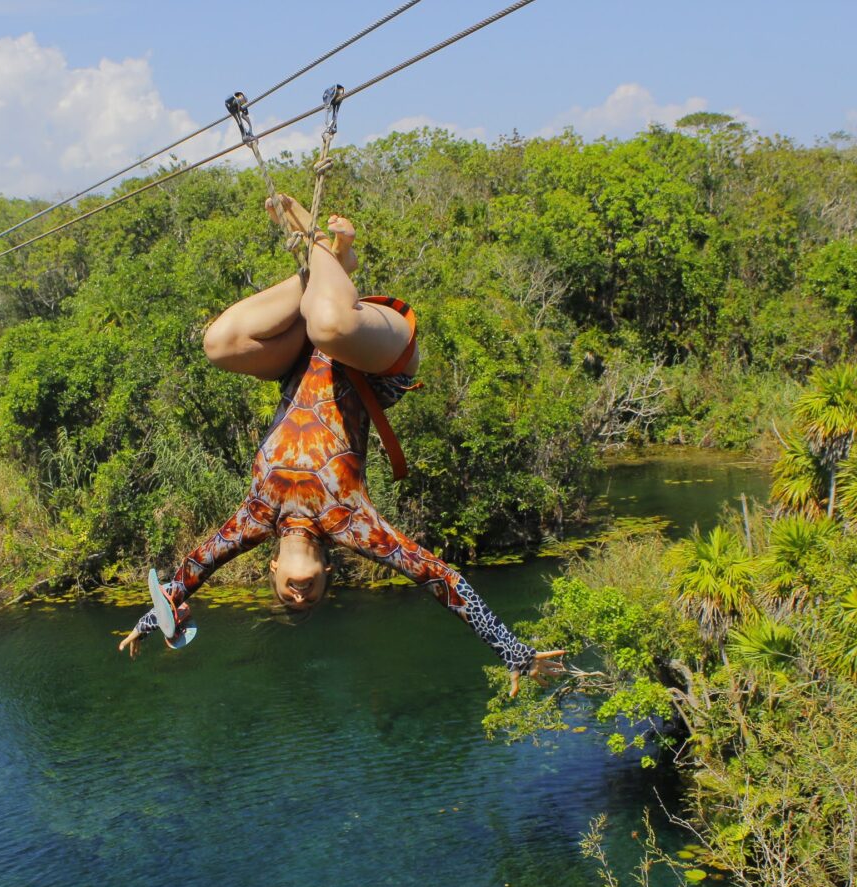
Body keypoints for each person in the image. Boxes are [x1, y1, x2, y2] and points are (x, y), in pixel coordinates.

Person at [120, 195, 565, 695]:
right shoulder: (353, 526)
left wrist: (153, 617)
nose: (300, 597)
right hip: (375, 363)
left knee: (219, 343)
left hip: (303, 355)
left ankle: (328, 266)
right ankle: (325, 257)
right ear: (328, 571)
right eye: (310, 600)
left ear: (271, 570)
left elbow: (190, 571)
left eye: (290, 600)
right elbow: (442, 578)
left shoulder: (253, 519)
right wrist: (511, 649)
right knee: (330, 323)